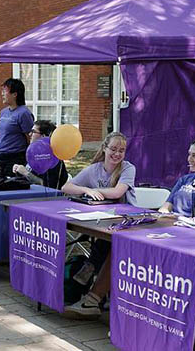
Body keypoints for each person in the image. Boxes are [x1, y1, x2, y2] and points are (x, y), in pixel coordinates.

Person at [62, 132, 136, 319]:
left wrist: (93, 190)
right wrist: (86, 189)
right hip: (100, 220)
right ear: (104, 148)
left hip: (126, 223)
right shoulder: (94, 169)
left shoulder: (128, 168)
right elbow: (66, 187)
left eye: (121, 150)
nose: (117, 154)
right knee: (102, 241)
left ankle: (87, 281)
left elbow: (117, 192)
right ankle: (89, 286)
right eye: (113, 149)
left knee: (106, 243)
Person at [0, 78, 34, 177]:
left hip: (14, 158)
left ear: (14, 94)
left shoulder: (24, 113)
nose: (2, 94)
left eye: (5, 91)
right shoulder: (4, 112)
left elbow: (30, 137)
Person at [12, 120, 68, 189]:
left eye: (33, 132)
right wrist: (18, 169)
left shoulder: (52, 159)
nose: (29, 134)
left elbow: (45, 186)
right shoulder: (34, 153)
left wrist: (26, 173)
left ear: (44, 136)